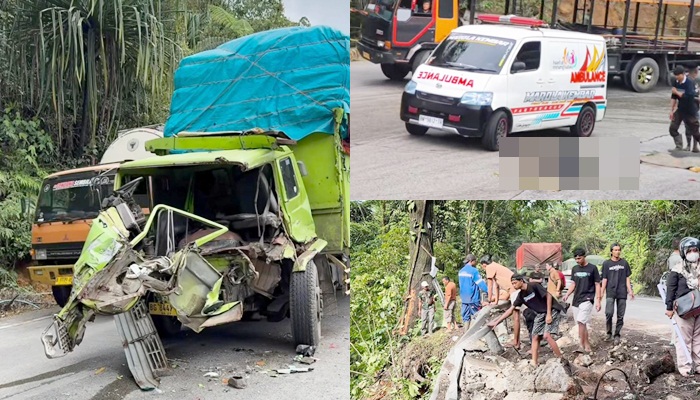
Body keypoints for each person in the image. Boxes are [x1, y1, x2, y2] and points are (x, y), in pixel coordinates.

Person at [487, 274, 564, 367]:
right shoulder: (520, 296)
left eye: (515, 283)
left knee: (547, 335)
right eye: (512, 284)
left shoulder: (533, 286)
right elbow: (510, 310)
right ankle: (534, 362)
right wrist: (497, 322)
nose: (514, 285)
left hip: (551, 309)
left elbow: (548, 296)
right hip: (540, 313)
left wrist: (548, 314)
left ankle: (561, 359)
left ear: (521, 281)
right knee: (535, 336)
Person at [665, 237, 700, 376]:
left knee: (698, 338)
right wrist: (668, 308)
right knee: (684, 339)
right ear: (683, 252)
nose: (693, 253)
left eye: (695, 250)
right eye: (689, 250)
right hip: (684, 309)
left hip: (699, 308)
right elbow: (670, 290)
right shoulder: (677, 269)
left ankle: (698, 365)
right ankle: (685, 367)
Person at [563, 248, 601, 354]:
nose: (577, 261)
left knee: (581, 321)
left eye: (579, 258)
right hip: (577, 299)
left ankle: (580, 345)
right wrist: (567, 294)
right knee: (581, 323)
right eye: (576, 259)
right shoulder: (575, 269)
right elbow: (573, 284)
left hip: (588, 298)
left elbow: (597, 284)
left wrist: (598, 300)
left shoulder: (592, 268)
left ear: (584, 256)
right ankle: (587, 344)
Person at [600, 243, 635, 345]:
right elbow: (604, 279)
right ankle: (609, 333)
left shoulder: (624, 263)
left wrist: (630, 291)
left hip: (622, 292)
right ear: (611, 251)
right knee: (609, 313)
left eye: (619, 250)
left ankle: (617, 335)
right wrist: (602, 292)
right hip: (610, 291)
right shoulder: (606, 264)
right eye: (615, 250)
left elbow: (627, 278)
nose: (617, 252)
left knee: (620, 315)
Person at [670, 66, 700, 152]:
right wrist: (671, 111)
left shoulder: (689, 83)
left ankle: (695, 147)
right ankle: (679, 146)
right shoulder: (676, 81)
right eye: (675, 75)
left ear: (683, 74)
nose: (676, 77)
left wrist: (676, 92)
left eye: (677, 75)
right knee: (673, 128)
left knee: (695, 131)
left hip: (690, 110)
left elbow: (688, 97)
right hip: (680, 109)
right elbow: (673, 97)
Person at [459, 254, 488, 330]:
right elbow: (480, 283)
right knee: (477, 316)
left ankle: (466, 335)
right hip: (473, 298)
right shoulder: (474, 271)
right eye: (475, 261)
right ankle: (479, 334)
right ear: (472, 261)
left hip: (464, 298)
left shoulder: (461, 271)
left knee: (466, 317)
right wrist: (489, 291)